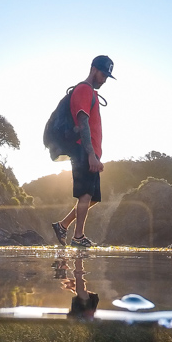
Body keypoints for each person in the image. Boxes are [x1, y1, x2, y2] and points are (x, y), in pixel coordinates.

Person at [51, 55, 115, 248]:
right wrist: (90, 154)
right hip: (82, 149)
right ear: (94, 69)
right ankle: (78, 237)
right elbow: (83, 122)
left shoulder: (92, 93)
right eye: (103, 74)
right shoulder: (83, 90)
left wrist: (95, 154)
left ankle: (63, 225)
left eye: (107, 76)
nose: (104, 80)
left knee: (93, 197)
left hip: (91, 151)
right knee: (85, 194)